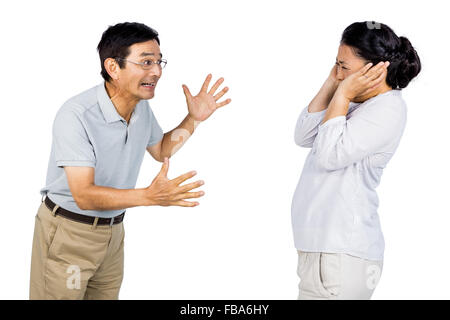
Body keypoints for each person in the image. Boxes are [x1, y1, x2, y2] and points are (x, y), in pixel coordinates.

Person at [29, 22, 231, 300]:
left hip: (112, 233)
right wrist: (149, 196)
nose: (157, 71)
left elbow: (160, 149)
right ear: (113, 67)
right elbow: (84, 196)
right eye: (146, 62)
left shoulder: (140, 108)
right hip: (69, 233)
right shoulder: (76, 115)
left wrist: (193, 119)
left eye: (159, 62)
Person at [291, 21, 421, 300]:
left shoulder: (387, 109)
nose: (338, 73)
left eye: (344, 67)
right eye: (336, 64)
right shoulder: (352, 101)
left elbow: (328, 156)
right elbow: (303, 135)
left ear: (375, 69)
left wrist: (344, 93)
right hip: (325, 251)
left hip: (342, 254)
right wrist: (333, 84)